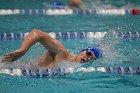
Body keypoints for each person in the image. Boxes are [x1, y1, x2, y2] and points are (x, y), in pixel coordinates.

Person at [1, 29, 102, 68]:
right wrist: (22, 51)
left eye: (91, 58)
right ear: (82, 51)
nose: (88, 58)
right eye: (88, 54)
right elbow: (38, 33)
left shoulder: (73, 69)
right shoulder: (62, 53)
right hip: (14, 66)